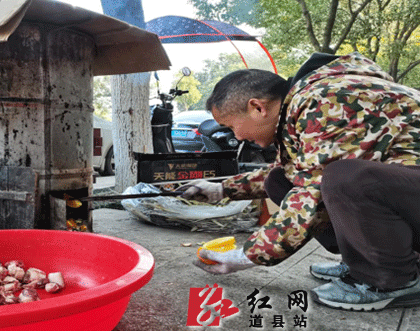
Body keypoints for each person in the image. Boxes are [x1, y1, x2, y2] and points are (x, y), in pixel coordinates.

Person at [179, 52, 420, 311]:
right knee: (279, 180)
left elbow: (313, 190)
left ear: (257, 108)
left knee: (344, 178)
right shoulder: (303, 105)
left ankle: (393, 279)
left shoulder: (327, 99)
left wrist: (248, 255)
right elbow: (300, 173)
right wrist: (221, 189)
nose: (236, 137)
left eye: (230, 126)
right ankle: (366, 261)